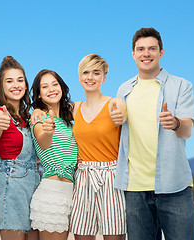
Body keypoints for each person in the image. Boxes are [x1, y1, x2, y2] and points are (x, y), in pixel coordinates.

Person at [114, 27, 194, 240]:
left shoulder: (181, 86)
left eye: (152, 48)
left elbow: (187, 130)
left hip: (174, 186)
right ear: (133, 54)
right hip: (135, 189)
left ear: (161, 52)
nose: (146, 54)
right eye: (140, 49)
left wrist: (176, 122)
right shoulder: (124, 90)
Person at [69, 54, 127, 240]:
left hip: (112, 177)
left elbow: (124, 120)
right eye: (85, 72)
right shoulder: (73, 109)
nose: (90, 77)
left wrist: (122, 118)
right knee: (82, 235)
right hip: (83, 176)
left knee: (114, 236)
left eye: (96, 72)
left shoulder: (115, 104)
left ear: (104, 77)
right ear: (79, 77)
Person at [0, 56, 40, 240]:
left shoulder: (28, 117)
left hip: (35, 185)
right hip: (12, 186)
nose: (15, 85)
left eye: (20, 80)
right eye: (9, 81)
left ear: (26, 85)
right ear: (1, 86)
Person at [29, 69, 78, 240]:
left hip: (72, 195)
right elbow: (42, 141)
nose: (51, 89)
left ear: (62, 87)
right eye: (45, 87)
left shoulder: (70, 120)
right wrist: (48, 132)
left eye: (55, 84)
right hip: (51, 195)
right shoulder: (39, 119)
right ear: (39, 95)